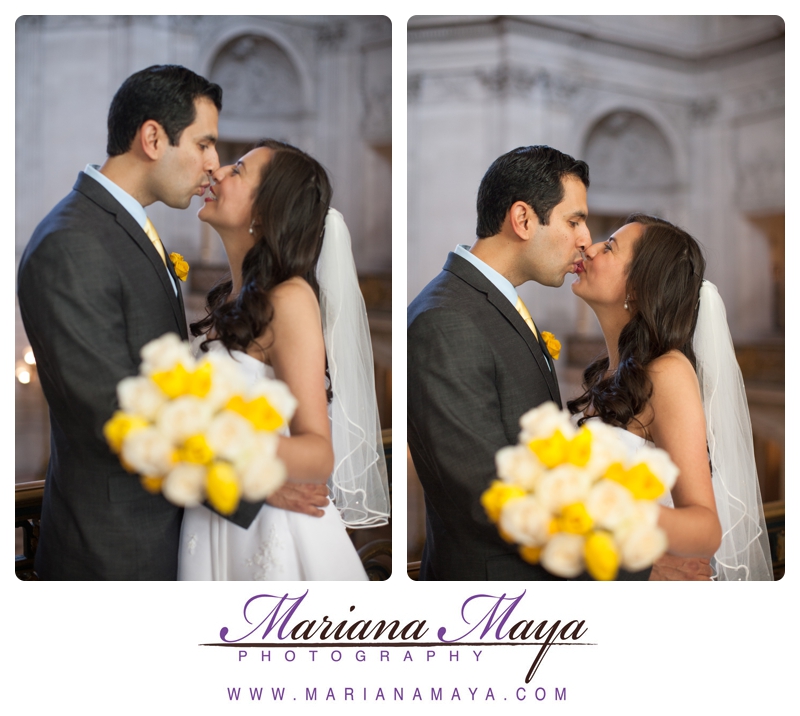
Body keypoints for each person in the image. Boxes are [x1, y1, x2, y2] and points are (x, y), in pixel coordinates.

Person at [17, 66, 327, 580]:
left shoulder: (128, 230)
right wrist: (249, 484)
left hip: (172, 537)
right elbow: (110, 415)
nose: (213, 164)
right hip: (114, 553)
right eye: (205, 144)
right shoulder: (72, 242)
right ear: (153, 138)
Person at [408, 145, 648, 580]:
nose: (584, 238)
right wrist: (634, 565)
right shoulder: (446, 319)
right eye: (573, 220)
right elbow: (486, 494)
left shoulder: (489, 301)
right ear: (522, 219)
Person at [177, 140, 389, 581]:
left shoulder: (289, 298)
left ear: (264, 212)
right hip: (219, 516)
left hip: (271, 536)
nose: (217, 173)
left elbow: (316, 452)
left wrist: (218, 446)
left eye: (237, 171)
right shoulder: (228, 299)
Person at [569, 213, 773, 581]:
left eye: (610, 246)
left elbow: (705, 527)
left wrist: (610, 509)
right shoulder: (606, 371)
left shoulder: (667, 372)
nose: (591, 247)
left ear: (637, 288)